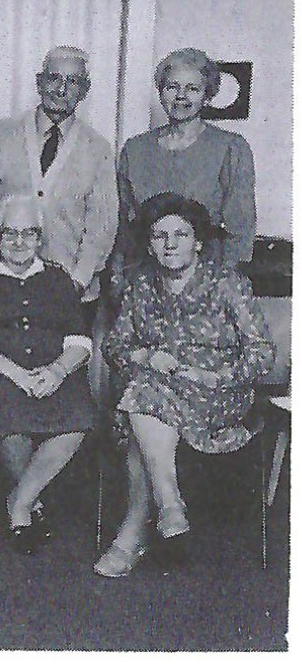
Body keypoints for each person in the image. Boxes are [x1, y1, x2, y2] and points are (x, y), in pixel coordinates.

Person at [96, 193, 273, 577]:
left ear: (198, 242)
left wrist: (212, 377)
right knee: (146, 395)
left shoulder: (227, 283)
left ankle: (146, 523)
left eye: (181, 234)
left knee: (140, 401)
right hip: (157, 395)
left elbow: (262, 354)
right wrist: (145, 356)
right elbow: (114, 346)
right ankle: (166, 509)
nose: (170, 243)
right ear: (150, 245)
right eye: (160, 236)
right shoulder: (142, 287)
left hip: (218, 395)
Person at [0, 195, 94, 554]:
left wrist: (59, 371)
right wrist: (17, 374)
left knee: (77, 419)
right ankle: (28, 511)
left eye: (28, 234)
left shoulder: (58, 279)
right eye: (10, 233)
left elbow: (80, 340)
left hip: (52, 370)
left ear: (40, 238)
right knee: (7, 418)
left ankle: (20, 501)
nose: (19, 242)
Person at [0, 46, 117, 320]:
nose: (61, 89)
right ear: (39, 82)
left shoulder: (98, 148)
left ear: (85, 90)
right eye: (54, 78)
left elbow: (102, 224)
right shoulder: (2, 134)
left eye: (73, 82)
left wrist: (78, 281)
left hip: (70, 289)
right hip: (2, 285)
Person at [115, 48, 256, 275]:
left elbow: (240, 230)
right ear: (161, 92)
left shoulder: (230, 148)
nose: (181, 96)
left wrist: (221, 285)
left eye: (192, 89)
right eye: (172, 87)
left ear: (207, 96)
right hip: (145, 278)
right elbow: (122, 226)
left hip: (207, 279)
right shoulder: (134, 149)